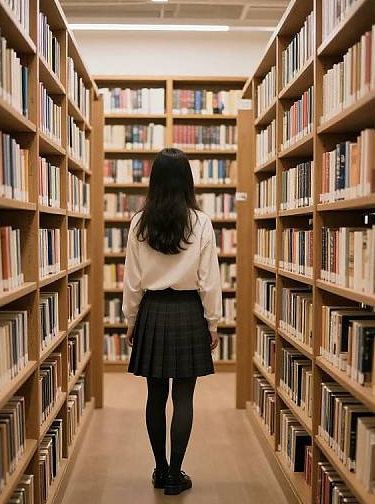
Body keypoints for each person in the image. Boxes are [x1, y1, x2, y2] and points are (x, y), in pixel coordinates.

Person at [122, 147, 222, 496]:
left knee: (154, 396)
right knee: (184, 397)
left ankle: (160, 468)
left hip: (152, 310)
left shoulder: (139, 222)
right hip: (188, 312)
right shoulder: (201, 222)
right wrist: (213, 321)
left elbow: (132, 278)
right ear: (187, 182)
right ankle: (175, 475)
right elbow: (209, 279)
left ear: (155, 181)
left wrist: (130, 318)